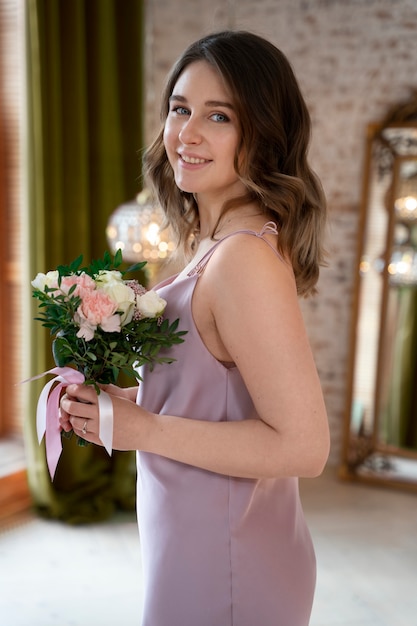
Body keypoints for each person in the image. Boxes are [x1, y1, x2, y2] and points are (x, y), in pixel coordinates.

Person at [60, 30, 330, 626]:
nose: (187, 133)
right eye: (180, 108)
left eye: (219, 116)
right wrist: (135, 402)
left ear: (263, 135)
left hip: (229, 563)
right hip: (198, 542)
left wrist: (146, 428)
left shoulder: (243, 259)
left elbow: (304, 447)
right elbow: (218, 394)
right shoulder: (214, 244)